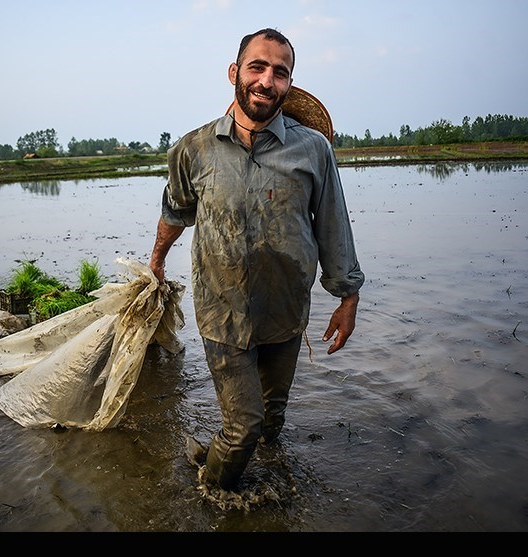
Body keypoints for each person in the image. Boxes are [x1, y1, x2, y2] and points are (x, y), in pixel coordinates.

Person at [148, 28, 365, 491]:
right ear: (235, 73)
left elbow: (333, 225)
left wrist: (347, 297)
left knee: (273, 415)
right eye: (257, 67)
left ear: (289, 84)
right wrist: (157, 261)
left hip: (285, 310)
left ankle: (267, 474)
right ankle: (213, 494)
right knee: (243, 426)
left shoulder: (312, 149)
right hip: (221, 313)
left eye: (280, 72)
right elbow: (175, 211)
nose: (267, 80)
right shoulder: (194, 149)